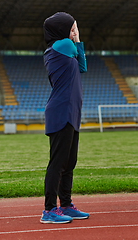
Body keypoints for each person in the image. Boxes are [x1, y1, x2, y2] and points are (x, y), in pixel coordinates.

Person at [40, 12, 90, 224]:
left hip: (71, 111)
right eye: (72, 27)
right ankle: (49, 210)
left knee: (69, 162)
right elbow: (79, 55)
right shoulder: (62, 46)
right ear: (61, 29)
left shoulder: (61, 49)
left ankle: (66, 204)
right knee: (58, 162)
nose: (74, 31)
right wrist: (77, 39)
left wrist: (76, 40)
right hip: (61, 111)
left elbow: (82, 68)